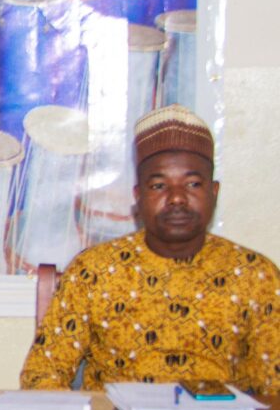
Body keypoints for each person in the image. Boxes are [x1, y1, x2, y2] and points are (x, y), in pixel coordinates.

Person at [21, 105, 280, 394]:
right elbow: (42, 375)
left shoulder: (255, 275)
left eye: (192, 184)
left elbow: (275, 388)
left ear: (213, 192)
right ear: (138, 196)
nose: (177, 198)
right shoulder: (93, 271)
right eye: (159, 186)